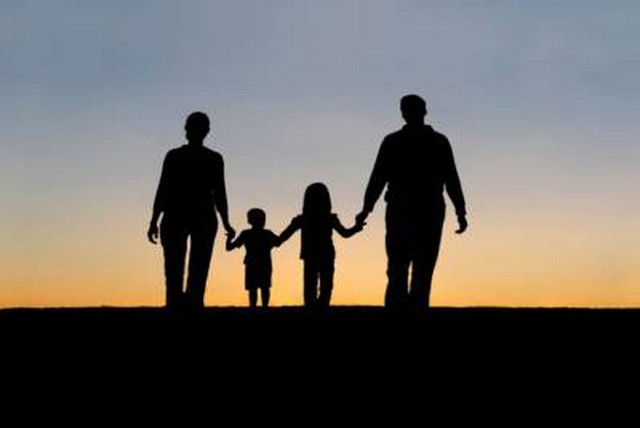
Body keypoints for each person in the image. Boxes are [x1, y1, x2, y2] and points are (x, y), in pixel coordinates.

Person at [356, 95, 468, 310]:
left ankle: (401, 309)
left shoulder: (395, 141)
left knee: (402, 266)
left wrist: (366, 209)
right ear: (424, 111)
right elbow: (451, 179)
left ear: (404, 113)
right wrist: (460, 212)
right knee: (418, 268)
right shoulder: (436, 141)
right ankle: (413, 309)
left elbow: (378, 178)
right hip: (423, 210)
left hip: (409, 209)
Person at [147, 111, 235, 310]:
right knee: (192, 267)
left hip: (186, 215)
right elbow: (219, 193)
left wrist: (154, 220)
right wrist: (226, 222)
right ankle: (186, 304)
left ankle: (182, 304)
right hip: (188, 216)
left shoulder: (179, 156)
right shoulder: (208, 158)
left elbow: (163, 189)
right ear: (207, 131)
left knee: (181, 267)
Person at [280, 182, 364, 309]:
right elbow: (345, 233)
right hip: (325, 254)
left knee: (311, 282)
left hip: (311, 254)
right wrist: (356, 227)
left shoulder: (303, 219)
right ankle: (322, 305)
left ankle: (312, 306)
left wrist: (274, 242)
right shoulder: (329, 218)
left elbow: (284, 235)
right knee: (326, 283)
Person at [226, 208, 281, 308]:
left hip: (252, 263)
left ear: (249, 220)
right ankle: (264, 307)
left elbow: (229, 247)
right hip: (264, 263)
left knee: (254, 288)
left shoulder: (246, 234)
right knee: (263, 287)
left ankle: (254, 308)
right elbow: (279, 242)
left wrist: (229, 237)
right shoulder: (267, 233)